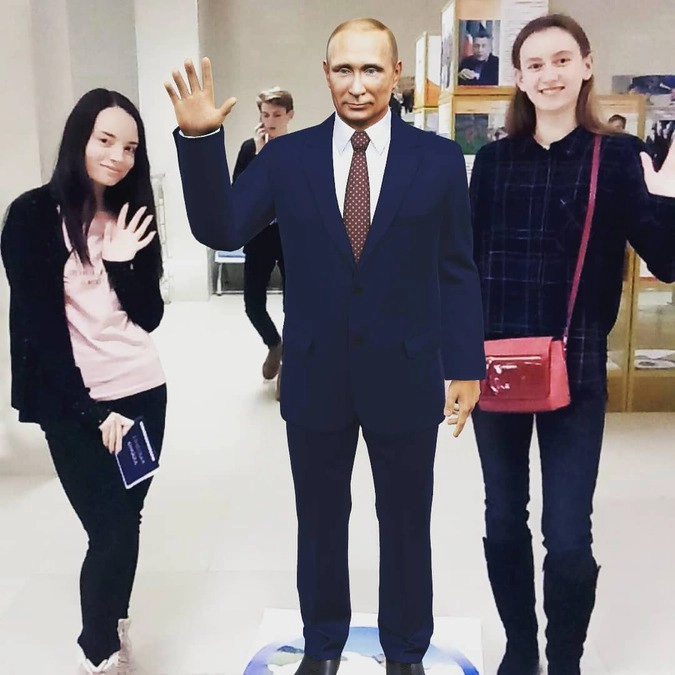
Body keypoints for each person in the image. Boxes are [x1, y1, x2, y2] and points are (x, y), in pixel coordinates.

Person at [165, 17, 485, 675]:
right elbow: (222, 225)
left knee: (406, 522)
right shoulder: (288, 158)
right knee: (319, 521)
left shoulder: (437, 159)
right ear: (325, 73)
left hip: (405, 370)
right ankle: (321, 644)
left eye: (371, 69)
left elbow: (456, 266)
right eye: (344, 69)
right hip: (315, 373)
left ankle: (405, 649)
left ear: (395, 73)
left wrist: (464, 363)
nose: (357, 84)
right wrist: (199, 139)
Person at [469, 14, 675, 675]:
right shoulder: (493, 162)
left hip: (576, 364)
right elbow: (464, 267)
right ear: (518, 77)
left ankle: (563, 660)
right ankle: (520, 649)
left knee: (566, 536)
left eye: (561, 60)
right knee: (503, 518)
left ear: (586, 65)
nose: (549, 74)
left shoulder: (616, 157)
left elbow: (667, 261)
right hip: (494, 364)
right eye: (534, 64)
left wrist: (666, 198)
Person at [1, 89, 167, 675]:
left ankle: (113, 626)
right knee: (109, 527)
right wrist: (92, 412)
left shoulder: (132, 214)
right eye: (105, 140)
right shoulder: (31, 216)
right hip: (78, 402)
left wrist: (122, 262)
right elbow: (39, 330)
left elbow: (149, 315)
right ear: (79, 139)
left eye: (130, 147)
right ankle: (98, 654)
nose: (118, 157)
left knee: (126, 520)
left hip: (142, 391)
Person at [233, 88, 294, 397]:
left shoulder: (300, 149)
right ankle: (274, 344)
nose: (270, 121)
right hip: (259, 235)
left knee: (294, 305)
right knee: (252, 304)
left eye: (277, 115)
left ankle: (290, 366)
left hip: (291, 236)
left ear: (289, 116)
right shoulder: (249, 148)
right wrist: (258, 156)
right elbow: (238, 193)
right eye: (265, 115)